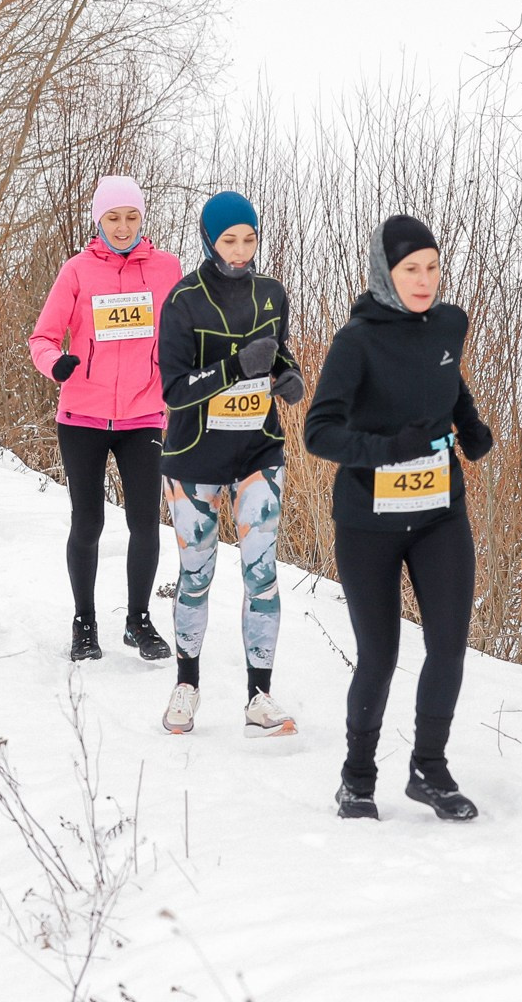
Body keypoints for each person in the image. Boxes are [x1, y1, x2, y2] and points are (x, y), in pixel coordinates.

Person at [305, 214, 496, 824]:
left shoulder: (449, 323)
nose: (424, 280)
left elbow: (444, 376)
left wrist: (467, 423)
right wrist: (389, 449)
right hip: (369, 520)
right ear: (385, 273)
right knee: (380, 655)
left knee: (448, 644)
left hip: (440, 510)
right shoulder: (355, 342)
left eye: (432, 267)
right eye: (410, 269)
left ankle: (429, 771)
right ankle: (357, 779)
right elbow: (319, 433)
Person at [154, 190, 304, 741]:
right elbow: (173, 387)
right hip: (193, 457)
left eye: (249, 238)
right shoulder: (183, 301)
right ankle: (186, 685)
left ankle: (259, 697)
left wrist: (287, 376)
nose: (240, 251)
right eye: (228, 240)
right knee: (196, 576)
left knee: (261, 575)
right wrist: (234, 368)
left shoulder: (272, 294)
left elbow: (279, 352)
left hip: (258, 453)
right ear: (208, 240)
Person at [30, 176, 183, 663]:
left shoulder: (167, 269)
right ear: (98, 220)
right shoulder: (76, 271)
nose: (122, 227)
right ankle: (85, 623)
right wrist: (56, 364)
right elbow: (43, 338)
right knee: (89, 521)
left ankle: (138, 621)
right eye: (113, 218)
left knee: (145, 522)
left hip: (144, 414)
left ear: (143, 218)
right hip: (83, 415)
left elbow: (183, 334)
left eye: (131, 217)